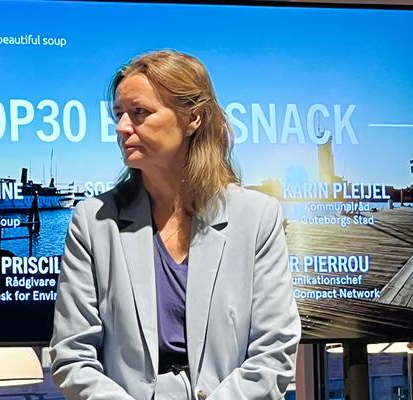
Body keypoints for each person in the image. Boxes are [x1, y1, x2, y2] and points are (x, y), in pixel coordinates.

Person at [50, 50, 301, 399]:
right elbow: (72, 356)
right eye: (119, 114)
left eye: (140, 112)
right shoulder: (93, 221)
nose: (122, 127)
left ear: (193, 118)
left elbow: (274, 352)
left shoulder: (257, 216)